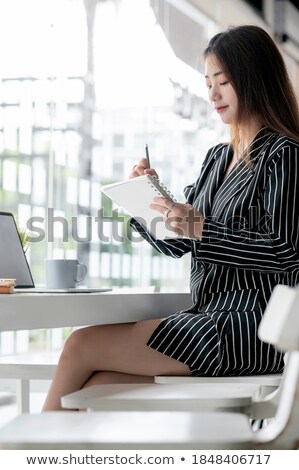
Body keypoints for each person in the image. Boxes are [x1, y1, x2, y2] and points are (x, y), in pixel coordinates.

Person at [43, 25, 299, 411]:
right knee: (95, 386)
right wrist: (151, 201)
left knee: (80, 345)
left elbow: (286, 254)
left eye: (223, 82)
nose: (212, 94)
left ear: (254, 80)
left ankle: (26, 455)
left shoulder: (285, 155)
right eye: (208, 83)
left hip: (251, 329)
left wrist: (201, 229)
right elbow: (180, 243)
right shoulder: (217, 158)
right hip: (210, 317)